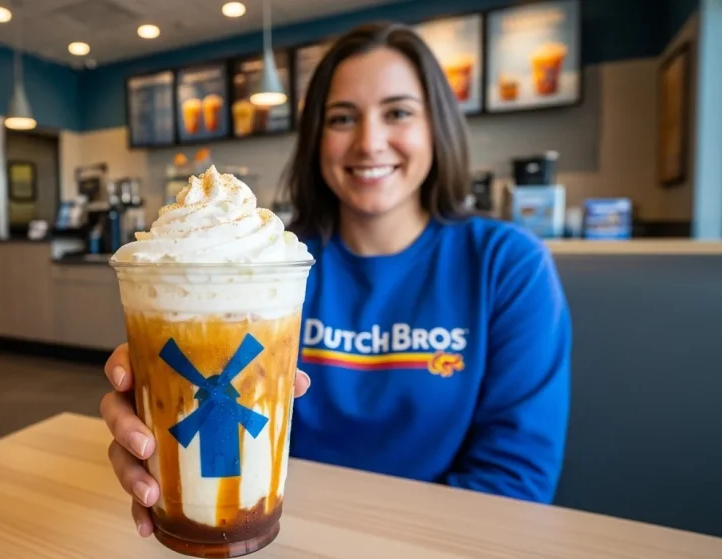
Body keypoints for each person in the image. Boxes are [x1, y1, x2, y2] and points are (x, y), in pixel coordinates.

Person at [100, 21, 571, 537]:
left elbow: (515, 477)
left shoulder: (505, 265)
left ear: (437, 125)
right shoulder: (264, 268)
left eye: (398, 112)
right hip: (283, 534)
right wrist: (158, 420)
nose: (369, 143)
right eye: (342, 117)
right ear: (315, 139)